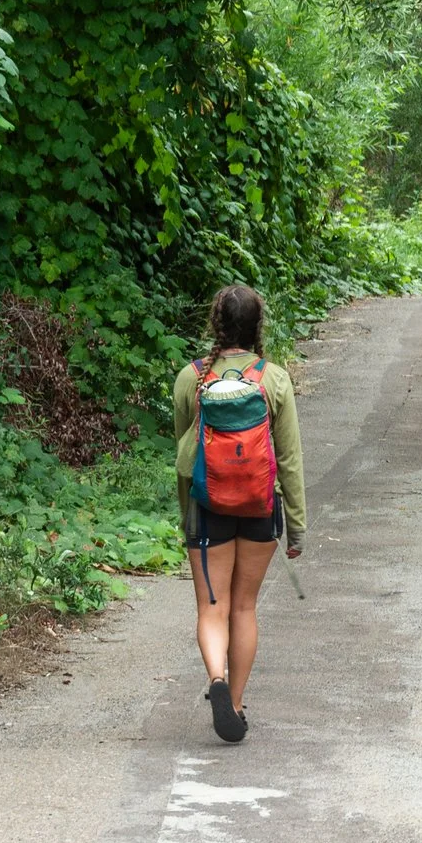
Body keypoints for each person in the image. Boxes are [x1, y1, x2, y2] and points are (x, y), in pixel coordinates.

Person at [173, 284, 306, 743]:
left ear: (215, 324)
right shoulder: (274, 380)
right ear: (257, 326)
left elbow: (185, 457)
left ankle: (216, 677)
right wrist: (297, 527)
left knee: (213, 607)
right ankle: (234, 704)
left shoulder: (191, 378)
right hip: (259, 506)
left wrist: (187, 517)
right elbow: (289, 460)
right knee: (245, 607)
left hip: (206, 507)